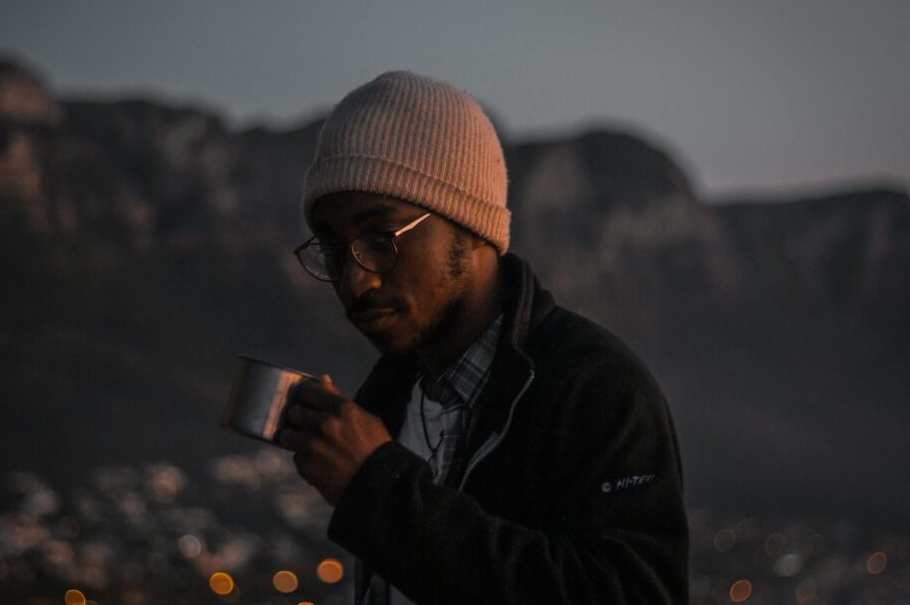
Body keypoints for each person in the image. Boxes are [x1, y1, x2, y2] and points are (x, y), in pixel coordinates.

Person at [280, 71, 688, 604]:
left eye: (381, 238)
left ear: (469, 223)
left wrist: (379, 491)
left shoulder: (596, 389)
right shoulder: (385, 402)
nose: (356, 280)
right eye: (334, 249)